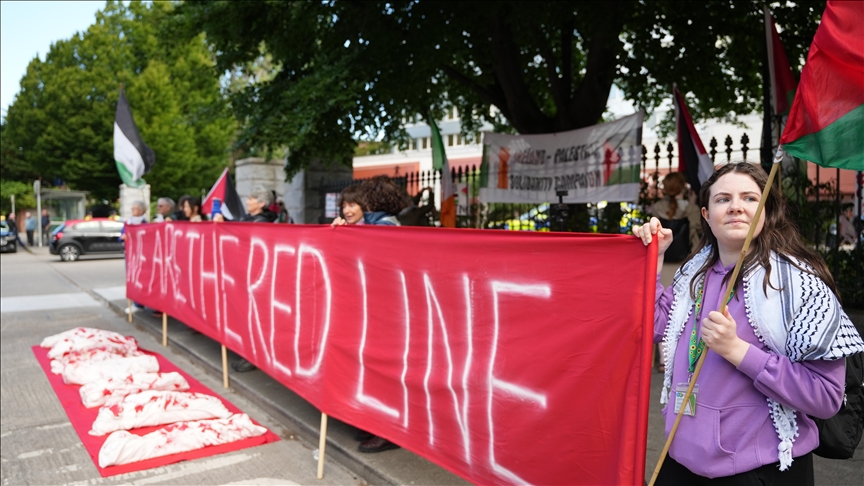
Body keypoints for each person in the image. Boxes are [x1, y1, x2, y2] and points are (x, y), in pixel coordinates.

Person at [633, 162, 864, 484]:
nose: (736, 207)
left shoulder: (800, 284)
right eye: (723, 199)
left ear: (766, 212)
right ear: (705, 214)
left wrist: (738, 350)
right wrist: (653, 261)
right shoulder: (691, 274)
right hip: (680, 461)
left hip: (762, 470)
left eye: (750, 198)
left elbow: (825, 398)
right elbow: (651, 328)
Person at [332, 177, 405, 454]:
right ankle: (375, 423)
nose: (350, 208)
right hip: (375, 311)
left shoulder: (384, 228)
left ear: (371, 203)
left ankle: (387, 430)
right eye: (346, 204)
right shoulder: (373, 227)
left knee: (382, 373)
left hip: (384, 314)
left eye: (357, 202)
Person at [213, 187, 278, 372]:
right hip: (244, 276)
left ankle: (253, 356)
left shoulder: (262, 223)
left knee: (253, 318)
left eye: (251, 198)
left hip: (256, 279)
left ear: (261, 204)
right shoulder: (248, 220)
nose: (247, 201)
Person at [650, 172, 702, 261]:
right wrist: (692, 205)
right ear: (683, 187)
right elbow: (697, 230)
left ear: (665, 189)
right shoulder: (691, 209)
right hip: (687, 262)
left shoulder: (657, 207)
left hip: (662, 260)